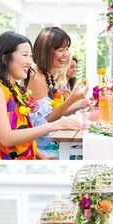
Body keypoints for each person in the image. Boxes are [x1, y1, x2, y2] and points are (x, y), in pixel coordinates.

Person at [0, 31, 77, 160]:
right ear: (4, 58)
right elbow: (6, 138)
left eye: (30, 56)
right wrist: (54, 125)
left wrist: (41, 156)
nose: (29, 62)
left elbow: (25, 130)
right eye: (24, 55)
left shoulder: (17, 90)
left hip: (28, 160)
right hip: (8, 168)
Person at [28, 26, 88, 154]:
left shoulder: (46, 74)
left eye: (67, 49)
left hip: (49, 142)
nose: (66, 54)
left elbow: (49, 117)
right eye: (61, 50)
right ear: (46, 51)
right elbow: (43, 123)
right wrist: (72, 99)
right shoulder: (35, 76)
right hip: (41, 149)